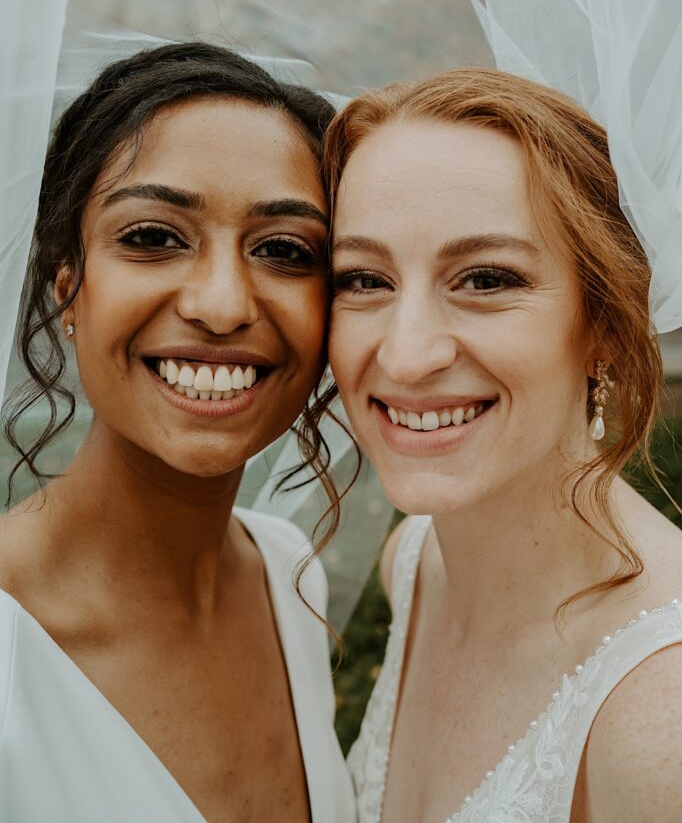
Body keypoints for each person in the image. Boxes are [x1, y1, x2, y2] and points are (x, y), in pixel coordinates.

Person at [0, 42, 355, 823]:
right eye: (154, 237)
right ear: (69, 288)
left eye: (285, 251)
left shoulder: (291, 579)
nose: (223, 305)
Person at [323, 68, 682, 823]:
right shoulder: (414, 565)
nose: (404, 355)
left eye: (485, 278)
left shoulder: (662, 722)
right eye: (363, 279)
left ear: (607, 328)